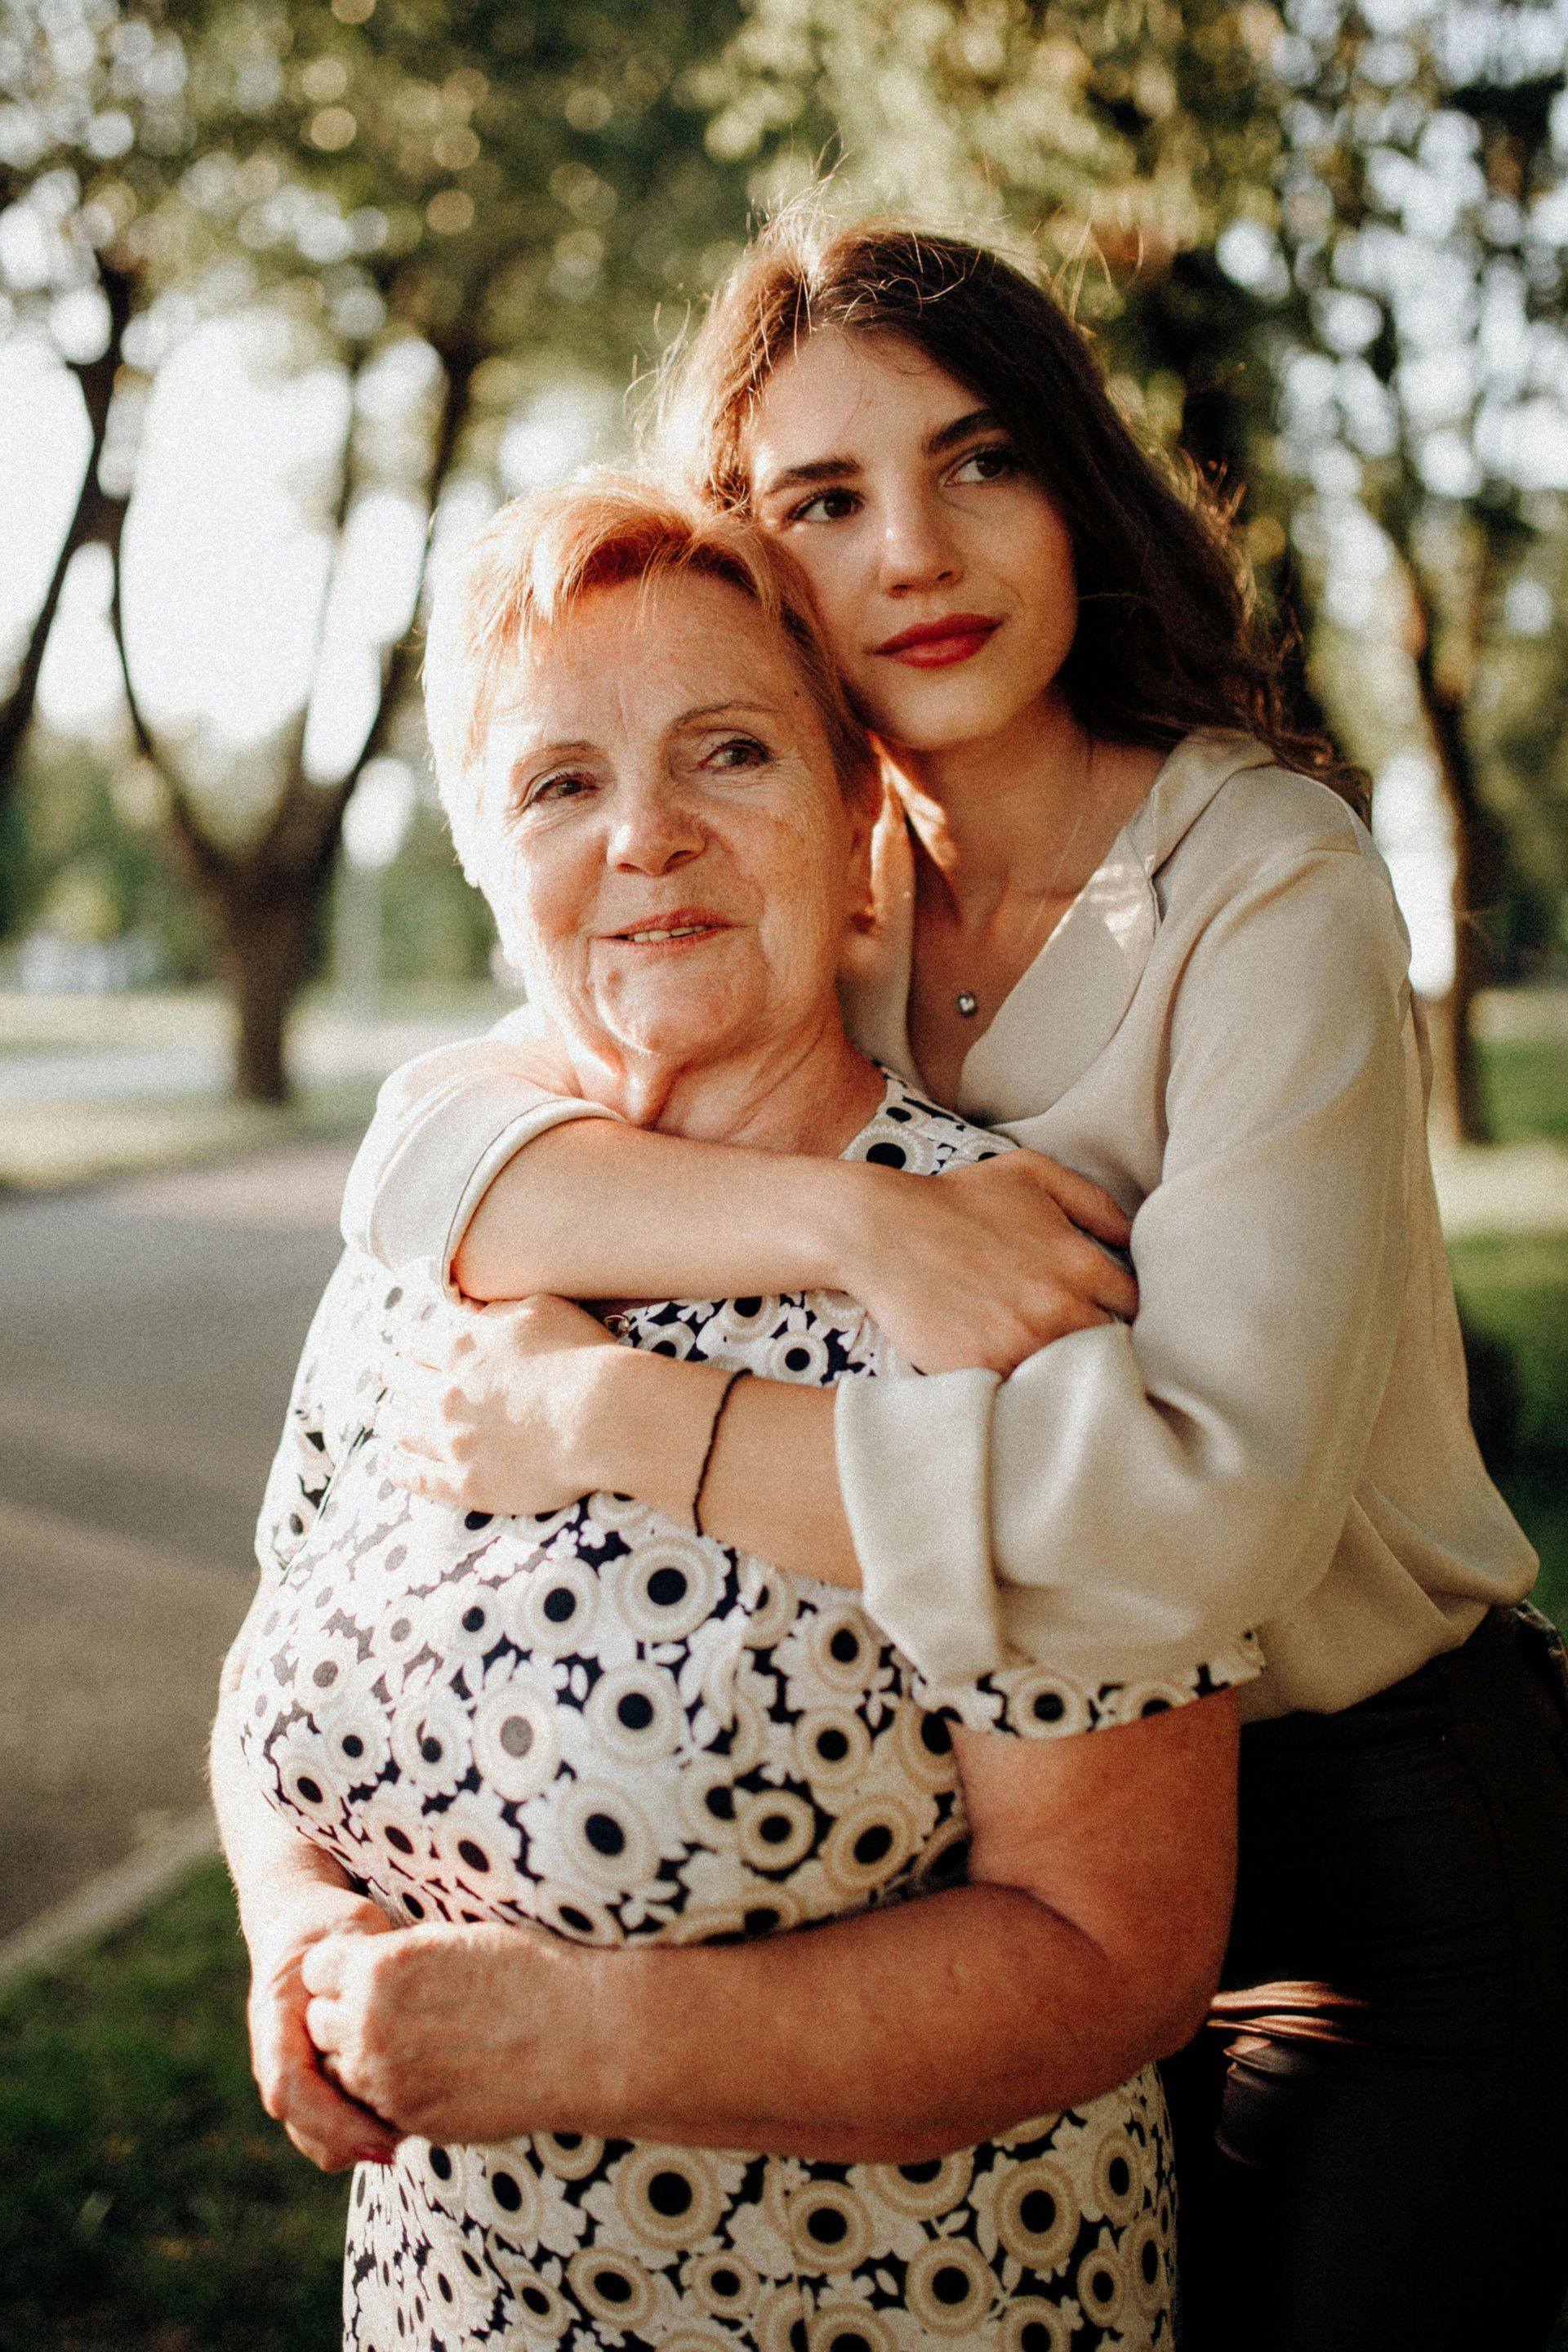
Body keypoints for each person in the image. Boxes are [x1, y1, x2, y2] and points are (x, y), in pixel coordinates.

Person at [345, 216, 1568, 2352]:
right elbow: (436, 1155)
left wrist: (645, 1427)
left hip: (1390, 1862)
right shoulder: (825, 871)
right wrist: (848, 1224)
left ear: (1074, 489)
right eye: (822, 499)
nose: (913, 548)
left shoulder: (1264, 883)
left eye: (977, 459)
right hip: (1027, 1847)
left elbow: (1204, 1524)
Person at [211, 478, 1257, 2352]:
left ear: (861, 812)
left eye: (729, 753)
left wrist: (564, 2039)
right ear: (478, 850)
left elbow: (1122, 1953)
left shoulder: (995, 1281)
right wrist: (294, 1940)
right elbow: (266, 1672)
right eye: (558, 786)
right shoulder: (437, 1243)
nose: (649, 839)